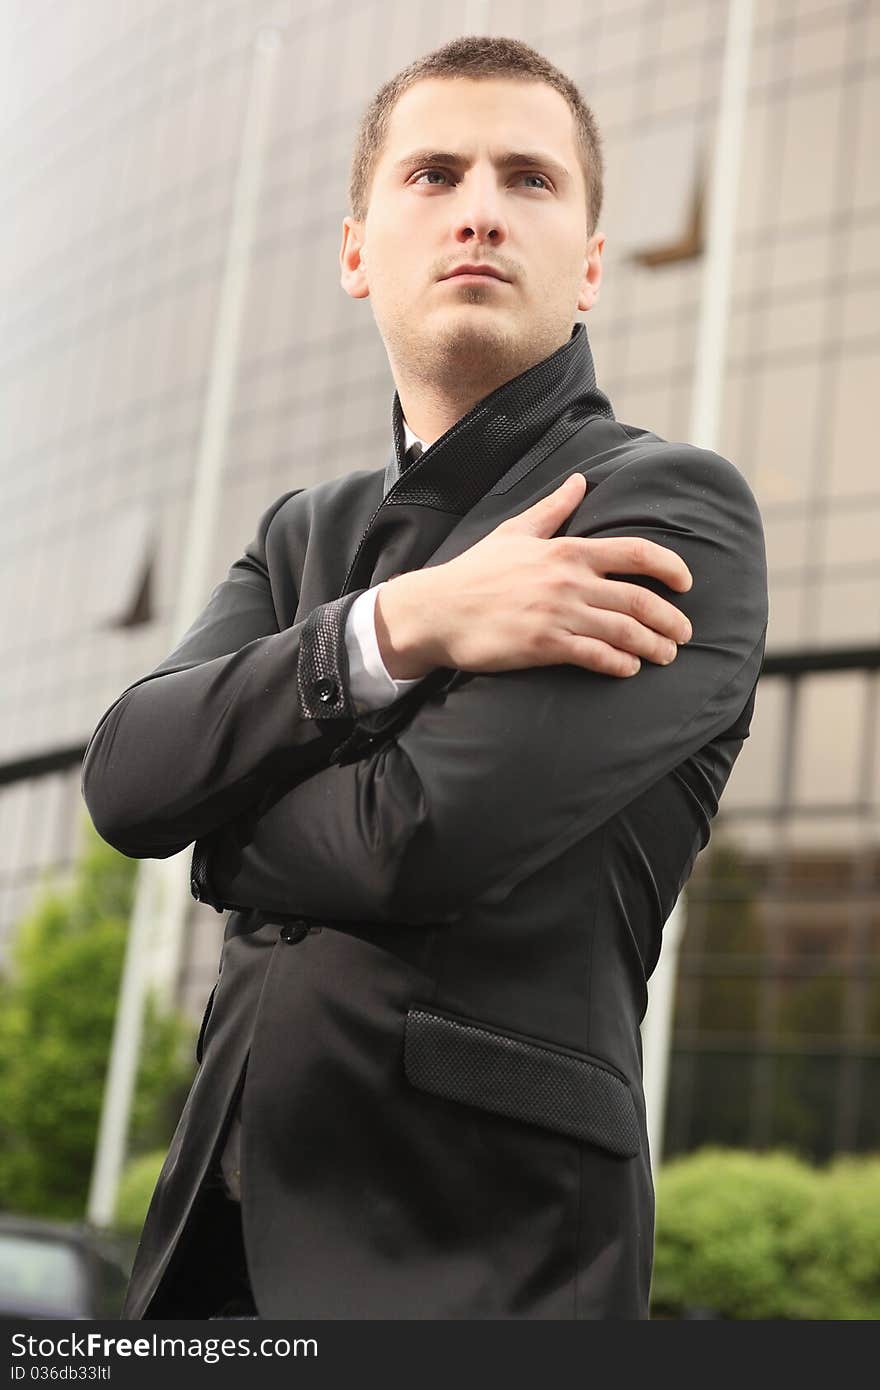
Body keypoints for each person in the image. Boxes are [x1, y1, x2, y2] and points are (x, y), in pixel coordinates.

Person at [82, 35, 767, 1320]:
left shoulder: (669, 512)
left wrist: (214, 836)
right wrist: (402, 624)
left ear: (592, 265)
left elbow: (414, 841)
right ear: (356, 251)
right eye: (435, 173)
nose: (480, 211)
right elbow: (125, 774)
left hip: (480, 1261)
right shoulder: (303, 534)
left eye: (530, 179)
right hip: (211, 1254)